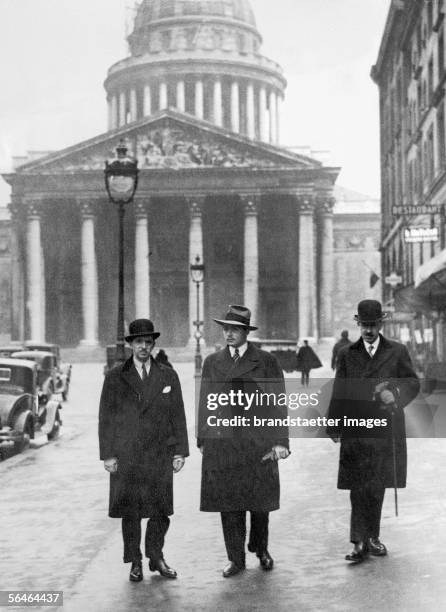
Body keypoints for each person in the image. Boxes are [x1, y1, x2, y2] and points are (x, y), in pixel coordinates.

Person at [197, 304, 290, 578]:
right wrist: (204, 438)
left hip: (258, 442)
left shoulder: (267, 361)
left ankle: (261, 549)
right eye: (225, 329)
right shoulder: (212, 362)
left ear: (245, 332)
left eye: (234, 329)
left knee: (261, 503)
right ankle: (235, 559)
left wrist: (280, 442)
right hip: (224, 444)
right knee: (229, 503)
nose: (228, 334)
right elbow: (206, 402)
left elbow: (278, 403)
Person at [327, 300, 419, 563]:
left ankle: (373, 537)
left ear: (381, 324)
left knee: (376, 485)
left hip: (384, 428)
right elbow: (340, 390)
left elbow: (413, 382)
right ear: (358, 324)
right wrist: (334, 424)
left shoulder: (397, 351)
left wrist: (396, 394)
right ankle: (358, 541)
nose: (368, 330)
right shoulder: (347, 354)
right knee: (358, 486)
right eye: (364, 325)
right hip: (356, 429)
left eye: (373, 325)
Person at [98, 319, 189, 582]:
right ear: (131, 345)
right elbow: (106, 417)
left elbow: (178, 415)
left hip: (160, 452)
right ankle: (135, 561)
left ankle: (156, 557)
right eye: (139, 342)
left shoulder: (168, 374)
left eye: (148, 342)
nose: (144, 347)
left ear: (153, 345)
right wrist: (108, 455)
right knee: (132, 512)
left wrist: (180, 451)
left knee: (161, 510)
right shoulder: (115, 376)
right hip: (127, 454)